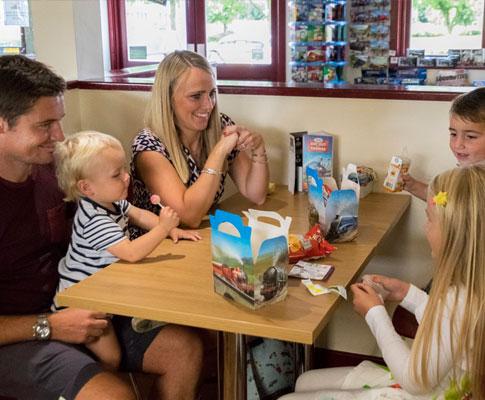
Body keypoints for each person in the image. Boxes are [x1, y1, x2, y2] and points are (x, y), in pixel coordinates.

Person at [0, 54, 203, 400]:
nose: (59, 135)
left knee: (184, 349)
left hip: (77, 309)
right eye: (44, 125)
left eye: (59, 121)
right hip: (22, 336)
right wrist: (50, 326)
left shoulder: (54, 172)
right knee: (114, 395)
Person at [280, 165, 485, 399]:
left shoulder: (458, 300)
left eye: (430, 219)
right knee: (305, 380)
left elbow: (414, 381)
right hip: (444, 382)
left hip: (430, 389)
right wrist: (409, 294)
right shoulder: (471, 290)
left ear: (453, 233)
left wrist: (375, 314)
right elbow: (449, 327)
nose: (424, 226)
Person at [52, 130, 201, 371]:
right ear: (87, 188)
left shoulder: (111, 201)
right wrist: (163, 228)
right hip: (82, 304)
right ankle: (103, 385)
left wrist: (174, 231)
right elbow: (131, 252)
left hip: (107, 291)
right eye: (116, 174)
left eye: (123, 169)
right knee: (112, 356)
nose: (126, 177)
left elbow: (140, 215)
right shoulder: (94, 219)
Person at [130, 50, 269, 234]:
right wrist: (219, 152)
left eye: (212, 94)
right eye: (196, 96)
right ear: (168, 98)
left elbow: (256, 195)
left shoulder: (219, 125)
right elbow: (188, 218)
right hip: (157, 250)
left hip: (199, 240)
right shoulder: (148, 147)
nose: (208, 105)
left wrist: (258, 149)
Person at [404, 87, 485, 200]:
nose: (457, 145)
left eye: (471, 136)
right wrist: (412, 186)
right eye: (453, 134)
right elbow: (445, 201)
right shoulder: (467, 171)